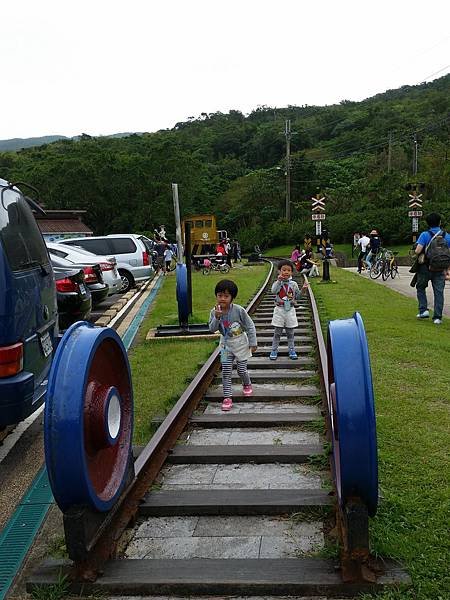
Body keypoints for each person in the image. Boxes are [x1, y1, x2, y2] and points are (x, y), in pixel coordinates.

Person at [208, 279, 257, 411]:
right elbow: (212, 329)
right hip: (225, 346)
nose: (222, 299)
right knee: (226, 371)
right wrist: (217, 317)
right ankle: (227, 397)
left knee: (241, 370)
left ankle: (247, 383)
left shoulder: (239, 310)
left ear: (232, 298)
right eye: (220, 296)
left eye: (226, 296)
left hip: (241, 344)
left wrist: (253, 342)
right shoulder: (214, 312)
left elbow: (250, 326)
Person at [414, 212, 450, 324]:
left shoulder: (425, 235)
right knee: (439, 292)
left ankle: (423, 310)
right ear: (440, 222)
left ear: (428, 223)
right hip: (440, 268)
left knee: (420, 287)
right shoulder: (447, 236)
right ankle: (438, 318)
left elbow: (417, 251)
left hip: (425, 267)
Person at [269, 260, 308, 361]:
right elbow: (273, 291)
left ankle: (291, 349)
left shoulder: (293, 284)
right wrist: (278, 281)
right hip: (279, 309)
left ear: (292, 272)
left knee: (290, 332)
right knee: (277, 332)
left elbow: (298, 297)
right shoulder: (277, 283)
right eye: (284, 270)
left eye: (289, 270)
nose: (286, 272)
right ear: (279, 271)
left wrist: (303, 290)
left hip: (290, 309)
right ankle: (274, 350)